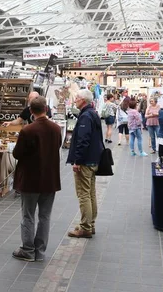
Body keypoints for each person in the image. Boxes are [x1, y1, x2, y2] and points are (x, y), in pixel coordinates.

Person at [11, 96, 62, 262]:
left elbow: (17, 154)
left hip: (30, 179)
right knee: (45, 217)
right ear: (46, 109)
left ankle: (27, 250)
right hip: (50, 179)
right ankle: (40, 251)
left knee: (28, 216)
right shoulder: (56, 129)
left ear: (31, 111)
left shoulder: (28, 131)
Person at [66, 89, 104, 239]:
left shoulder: (85, 116)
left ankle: (85, 227)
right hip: (94, 159)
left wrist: (78, 161)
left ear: (83, 100)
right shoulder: (93, 113)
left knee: (83, 194)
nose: (75, 99)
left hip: (86, 161)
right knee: (90, 192)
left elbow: (83, 141)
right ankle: (90, 223)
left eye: (77, 97)